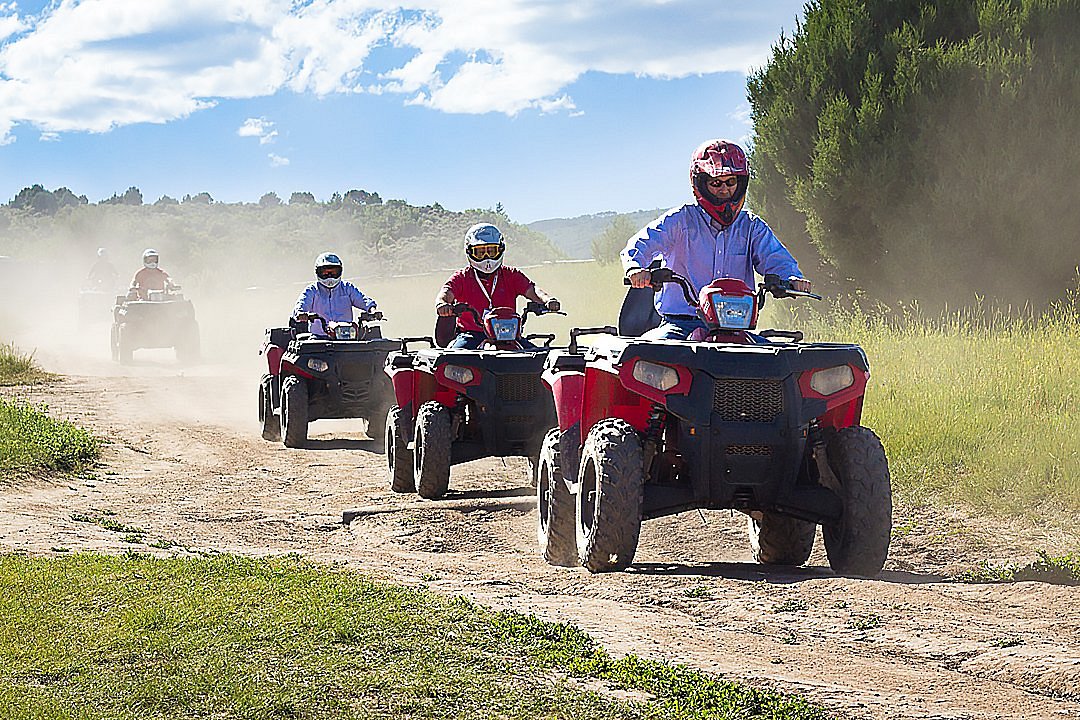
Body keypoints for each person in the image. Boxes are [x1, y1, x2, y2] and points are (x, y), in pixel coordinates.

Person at [621, 139, 811, 340]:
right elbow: (640, 244)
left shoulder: (751, 226)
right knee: (653, 356)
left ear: (741, 183)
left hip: (737, 327)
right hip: (681, 324)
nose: (725, 190)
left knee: (775, 364)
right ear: (700, 184)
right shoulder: (680, 220)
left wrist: (791, 279)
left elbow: (776, 259)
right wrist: (635, 268)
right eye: (716, 183)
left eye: (731, 182)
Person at [436, 223, 560, 349]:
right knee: (453, 359)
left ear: (500, 250)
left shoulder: (511, 275)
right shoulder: (462, 277)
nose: (487, 257)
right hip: (472, 335)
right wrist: (442, 304)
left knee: (538, 359)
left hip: (509, 335)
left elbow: (533, 290)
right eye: (480, 252)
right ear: (469, 252)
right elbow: (446, 293)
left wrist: (548, 300)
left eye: (491, 251)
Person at [292, 252, 378, 337]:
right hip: (319, 338)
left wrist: (373, 310)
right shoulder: (312, 290)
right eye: (325, 273)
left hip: (348, 337)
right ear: (318, 272)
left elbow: (363, 300)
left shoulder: (347, 288)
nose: (330, 276)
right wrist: (301, 314)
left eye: (333, 272)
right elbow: (301, 305)